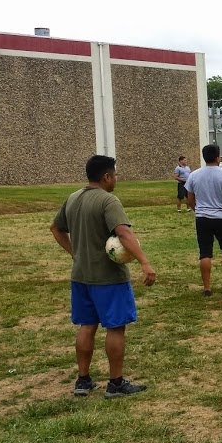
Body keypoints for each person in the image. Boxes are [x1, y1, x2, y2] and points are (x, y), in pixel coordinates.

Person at [50, 155, 156, 398]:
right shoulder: (108, 200)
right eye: (115, 175)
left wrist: (74, 253)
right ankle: (115, 383)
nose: (116, 179)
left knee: (87, 326)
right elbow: (123, 233)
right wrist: (145, 262)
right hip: (108, 278)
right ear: (106, 176)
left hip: (81, 275)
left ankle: (83, 380)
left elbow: (55, 228)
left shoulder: (73, 197)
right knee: (115, 328)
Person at [184, 144, 222, 296]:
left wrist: (198, 210)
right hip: (221, 217)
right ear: (218, 157)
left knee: (205, 252)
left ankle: (207, 288)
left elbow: (189, 199)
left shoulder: (194, 175)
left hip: (202, 218)